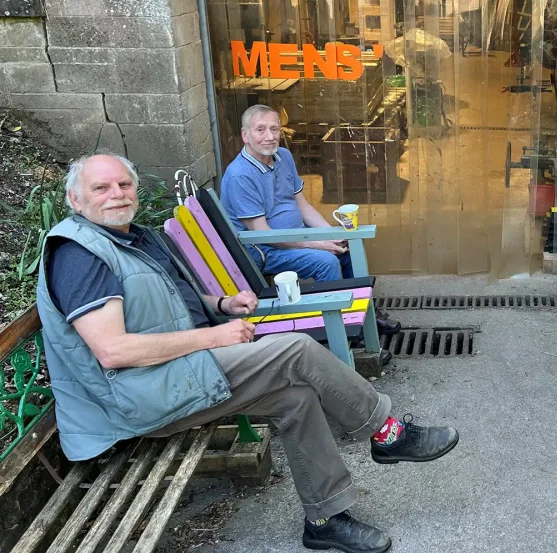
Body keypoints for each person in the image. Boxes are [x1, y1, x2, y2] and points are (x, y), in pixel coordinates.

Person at [36, 154, 459, 552]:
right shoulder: (80, 255)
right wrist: (215, 337)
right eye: (101, 188)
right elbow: (113, 351)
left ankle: (325, 520)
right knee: (296, 349)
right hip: (136, 397)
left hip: (175, 373)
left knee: (296, 398)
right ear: (75, 199)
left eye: (124, 184)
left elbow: (170, 302)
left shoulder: (134, 238)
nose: (117, 194)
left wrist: (221, 304)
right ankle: (387, 433)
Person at [220, 104, 400, 336]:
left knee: (348, 246)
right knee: (326, 261)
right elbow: (262, 233)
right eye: (260, 130)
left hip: (296, 234)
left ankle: (364, 313)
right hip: (264, 248)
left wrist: (333, 235)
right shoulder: (240, 175)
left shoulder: (283, 156)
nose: (270, 136)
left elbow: (303, 206)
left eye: (274, 129)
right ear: (245, 135)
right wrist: (318, 244)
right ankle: (339, 331)